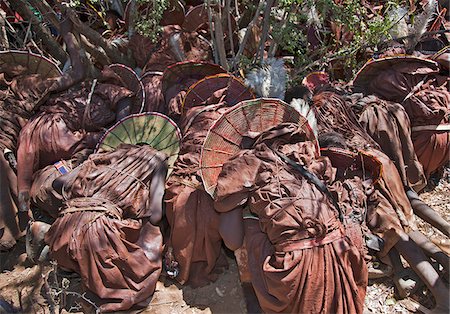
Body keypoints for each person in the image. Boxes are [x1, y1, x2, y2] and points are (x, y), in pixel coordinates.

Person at [214, 123, 368, 313]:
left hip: (296, 267)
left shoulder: (243, 166)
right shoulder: (305, 153)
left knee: (250, 223)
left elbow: (232, 241)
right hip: (343, 253)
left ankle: (260, 299)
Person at [45, 144, 167, 312]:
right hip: (99, 232)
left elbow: (57, 183)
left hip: (64, 227)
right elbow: (156, 215)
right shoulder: (157, 160)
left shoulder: (101, 156)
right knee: (141, 258)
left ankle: (61, 256)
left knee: (80, 250)